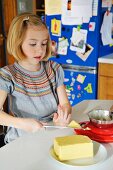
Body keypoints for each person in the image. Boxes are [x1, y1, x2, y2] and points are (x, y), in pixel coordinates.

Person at [0, 13, 72, 143]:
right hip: (21, 139)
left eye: (44, 44)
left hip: (52, 133)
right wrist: (23, 124)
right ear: (17, 43)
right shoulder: (7, 75)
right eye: (33, 44)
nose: (40, 50)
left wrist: (64, 115)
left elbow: (65, 103)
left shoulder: (54, 69)